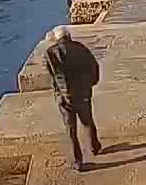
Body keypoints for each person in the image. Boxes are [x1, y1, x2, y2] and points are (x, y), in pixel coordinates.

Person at [44, 25, 103, 171]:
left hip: (64, 98)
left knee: (70, 129)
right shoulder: (81, 48)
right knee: (87, 121)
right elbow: (94, 67)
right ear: (68, 36)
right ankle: (94, 147)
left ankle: (77, 162)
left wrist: (59, 93)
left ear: (57, 39)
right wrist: (91, 83)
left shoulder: (50, 53)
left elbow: (53, 75)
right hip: (82, 94)